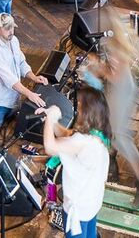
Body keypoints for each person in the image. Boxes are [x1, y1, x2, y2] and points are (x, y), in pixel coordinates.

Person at [87, 19, 139, 193]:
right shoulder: (116, 44)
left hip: (121, 91)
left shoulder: (116, 49)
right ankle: (112, 160)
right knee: (111, 129)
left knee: (119, 135)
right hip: (120, 90)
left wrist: (98, 68)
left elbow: (115, 77)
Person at [40, 85, 112, 238]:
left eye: (79, 104)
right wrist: (53, 122)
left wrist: (50, 119)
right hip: (92, 200)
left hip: (78, 208)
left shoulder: (82, 142)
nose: (76, 107)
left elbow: (50, 147)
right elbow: (68, 135)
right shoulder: (98, 133)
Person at [0, 12, 48, 135]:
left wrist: (34, 77)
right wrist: (30, 94)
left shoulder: (14, 40)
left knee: (11, 131)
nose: (11, 31)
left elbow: (21, 62)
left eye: (12, 27)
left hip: (13, 98)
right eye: (7, 28)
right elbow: (9, 79)